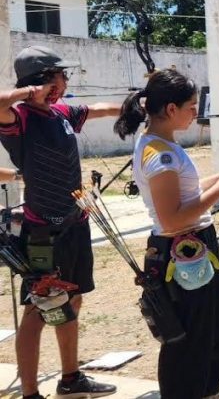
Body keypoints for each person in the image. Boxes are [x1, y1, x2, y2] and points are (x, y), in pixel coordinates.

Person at [113, 69, 219, 399]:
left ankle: (207, 390)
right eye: (191, 105)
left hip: (195, 245)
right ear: (171, 109)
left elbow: (186, 191)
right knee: (188, 336)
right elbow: (171, 218)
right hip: (180, 247)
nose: (195, 112)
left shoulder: (164, 146)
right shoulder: (158, 154)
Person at [0, 46, 119, 399]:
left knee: (73, 299)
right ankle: (31, 393)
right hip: (44, 232)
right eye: (59, 75)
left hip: (75, 223)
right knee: (40, 308)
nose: (65, 81)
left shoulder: (61, 112)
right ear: (41, 81)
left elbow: (97, 110)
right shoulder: (19, 117)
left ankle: (71, 378)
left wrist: (137, 105)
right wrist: (27, 93)